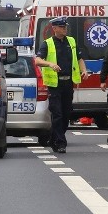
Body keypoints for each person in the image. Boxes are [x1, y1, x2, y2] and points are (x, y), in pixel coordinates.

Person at [35, 16, 88, 154]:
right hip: (54, 84)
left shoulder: (71, 41)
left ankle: (54, 137)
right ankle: (60, 143)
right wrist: (50, 64)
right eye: (62, 27)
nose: (65, 29)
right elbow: (38, 60)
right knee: (57, 113)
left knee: (66, 114)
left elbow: (79, 58)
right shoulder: (47, 43)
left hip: (68, 83)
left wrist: (84, 70)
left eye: (65, 27)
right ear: (54, 28)